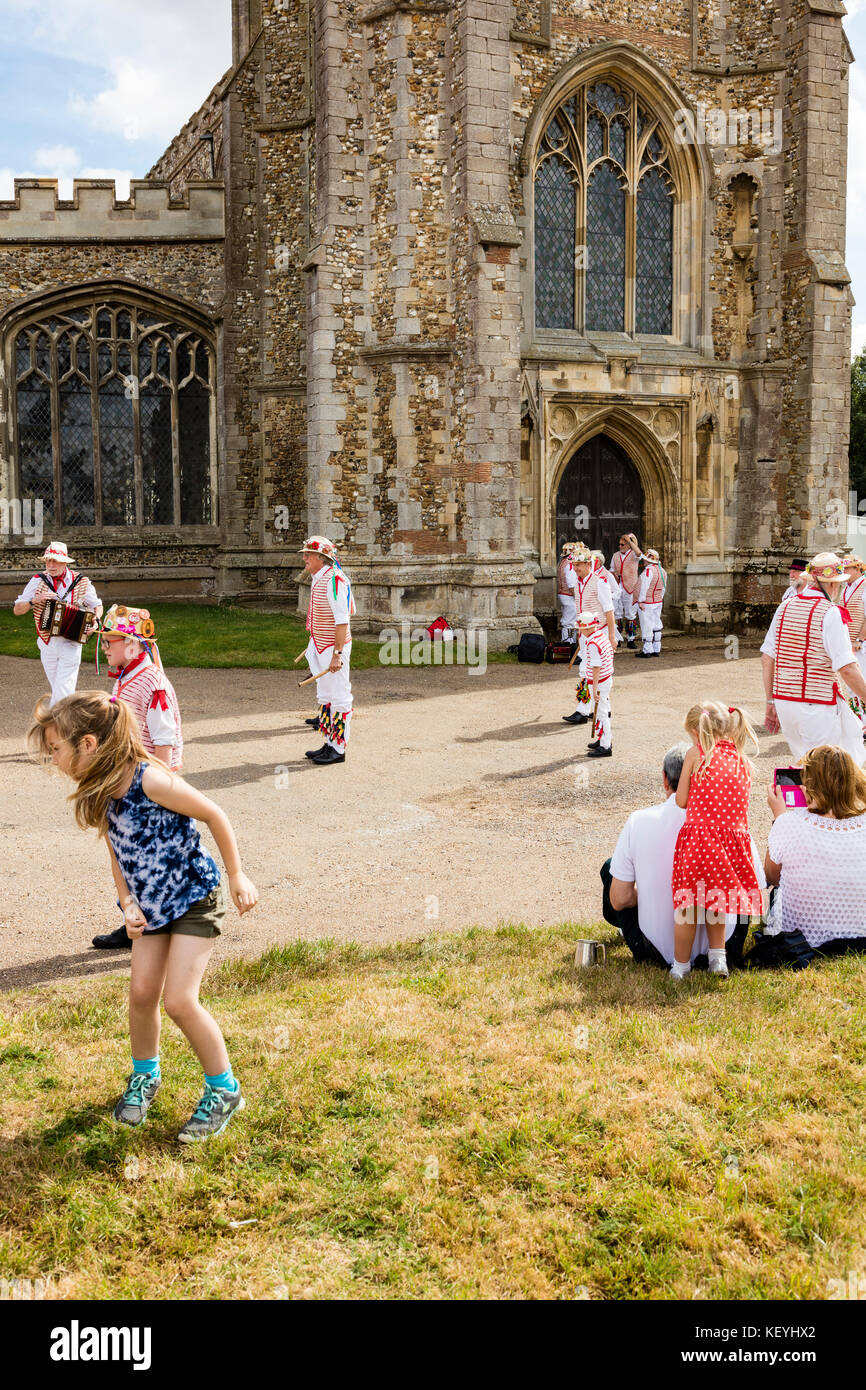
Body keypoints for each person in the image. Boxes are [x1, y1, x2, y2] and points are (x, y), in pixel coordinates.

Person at [28, 691, 258, 1142]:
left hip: (195, 898)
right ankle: (145, 1077)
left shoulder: (150, 780)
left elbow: (214, 813)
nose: (53, 758)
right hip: (151, 905)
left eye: (56, 748)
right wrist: (127, 902)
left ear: (88, 743)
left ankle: (224, 1090)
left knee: (179, 1001)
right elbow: (117, 847)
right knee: (140, 993)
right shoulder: (102, 789)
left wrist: (236, 874)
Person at [602, 742, 764, 967]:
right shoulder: (729, 823)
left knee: (611, 868)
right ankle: (718, 956)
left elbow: (621, 900)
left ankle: (679, 961)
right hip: (725, 942)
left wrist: (649, 893)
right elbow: (755, 883)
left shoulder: (638, 821)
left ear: (665, 779)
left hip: (656, 951)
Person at [91, 605, 185, 951]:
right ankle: (137, 920)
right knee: (126, 853)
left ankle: (159, 924)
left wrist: (157, 789)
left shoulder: (152, 684)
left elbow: (164, 741)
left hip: (146, 785)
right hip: (128, 782)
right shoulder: (128, 678)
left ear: (132, 645)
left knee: (147, 855)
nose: (105, 648)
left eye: (110, 642)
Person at [670, 701, 763, 980]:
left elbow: (682, 800)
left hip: (699, 843)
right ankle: (718, 960)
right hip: (729, 847)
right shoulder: (743, 761)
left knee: (688, 908)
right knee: (716, 903)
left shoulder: (695, 755)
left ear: (697, 733)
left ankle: (680, 967)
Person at [758, 745, 866, 968]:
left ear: (809, 785)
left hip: (801, 937)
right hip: (860, 933)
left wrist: (778, 817)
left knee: (775, 893)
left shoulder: (790, 823)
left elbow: (772, 877)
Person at [760, 552, 866, 766]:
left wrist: (771, 701)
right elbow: (846, 668)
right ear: (832, 585)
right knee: (829, 770)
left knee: (804, 765)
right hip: (817, 706)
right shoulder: (831, 613)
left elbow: (767, 657)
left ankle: (798, 798)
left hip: (785, 703)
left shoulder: (784, 607)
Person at [13, 541, 102, 705]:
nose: (50, 565)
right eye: (48, 561)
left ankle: (54, 726)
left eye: (55, 561)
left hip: (71, 642)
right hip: (47, 642)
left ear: (64, 562)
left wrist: (96, 619)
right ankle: (67, 724)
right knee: (60, 691)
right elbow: (17, 610)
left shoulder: (81, 581)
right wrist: (34, 600)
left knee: (63, 692)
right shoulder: (38, 580)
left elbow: (97, 605)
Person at [302, 535, 356, 765]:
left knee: (340, 697)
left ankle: (339, 748)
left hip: (333, 647)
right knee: (325, 697)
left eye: (308, 555)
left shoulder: (335, 580)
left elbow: (342, 620)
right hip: (320, 644)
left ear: (320, 558)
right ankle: (328, 742)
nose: (304, 558)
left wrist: (337, 654)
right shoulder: (319, 577)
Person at [562, 543, 615, 726]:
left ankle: (584, 710)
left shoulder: (600, 582)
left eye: (578, 565)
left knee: (590, 670)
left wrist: (612, 637)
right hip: (586, 633)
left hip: (598, 632)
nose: (575, 568)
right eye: (574, 565)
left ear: (588, 565)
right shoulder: (578, 584)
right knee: (588, 670)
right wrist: (581, 635)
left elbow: (609, 611)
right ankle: (594, 707)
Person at [577, 610, 614, 758]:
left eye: (581, 629)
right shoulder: (601, 636)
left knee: (602, 713)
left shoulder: (593, 643)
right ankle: (602, 739)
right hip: (606, 678)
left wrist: (594, 688)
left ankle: (606, 745)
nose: (580, 632)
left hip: (600, 681)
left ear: (586, 628)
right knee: (600, 712)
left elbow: (596, 667)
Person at [842, 557, 866, 730]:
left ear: (858, 568)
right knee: (852, 686)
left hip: (861, 644)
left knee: (862, 681)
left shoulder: (864, 587)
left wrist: (859, 639)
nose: (845, 573)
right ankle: (859, 721)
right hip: (847, 642)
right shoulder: (845, 588)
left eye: (848, 569)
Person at [609, 534, 641, 647]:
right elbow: (612, 569)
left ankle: (631, 639)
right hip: (618, 586)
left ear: (629, 545)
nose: (620, 546)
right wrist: (615, 577)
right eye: (619, 544)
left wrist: (630, 541)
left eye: (623, 544)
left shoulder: (633, 554)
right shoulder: (615, 555)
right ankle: (617, 638)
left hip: (630, 586)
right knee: (617, 612)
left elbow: (639, 553)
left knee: (630, 613)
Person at [635, 547, 666, 659]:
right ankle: (656, 648)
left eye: (645, 559)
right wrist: (660, 599)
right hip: (657, 601)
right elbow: (664, 588)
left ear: (649, 560)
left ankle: (647, 649)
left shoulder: (649, 570)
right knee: (656, 623)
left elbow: (644, 587)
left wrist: (641, 600)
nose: (644, 561)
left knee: (647, 624)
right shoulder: (662, 571)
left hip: (648, 602)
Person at [556, 542, 578, 643]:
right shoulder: (570, 564)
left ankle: (568, 642)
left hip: (563, 594)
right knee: (570, 622)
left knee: (569, 620)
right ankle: (568, 643)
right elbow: (571, 584)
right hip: (569, 595)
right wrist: (578, 597)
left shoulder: (562, 562)